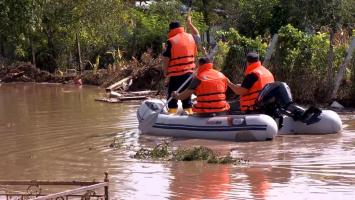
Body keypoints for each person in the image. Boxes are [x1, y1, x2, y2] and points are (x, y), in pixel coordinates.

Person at [162, 13, 201, 114]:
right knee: (186, 97)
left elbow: (166, 58)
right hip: (189, 74)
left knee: (172, 98)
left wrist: (165, 72)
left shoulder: (171, 41)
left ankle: (172, 115)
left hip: (176, 75)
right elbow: (198, 35)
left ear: (171, 30)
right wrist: (190, 23)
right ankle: (189, 114)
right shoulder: (191, 37)